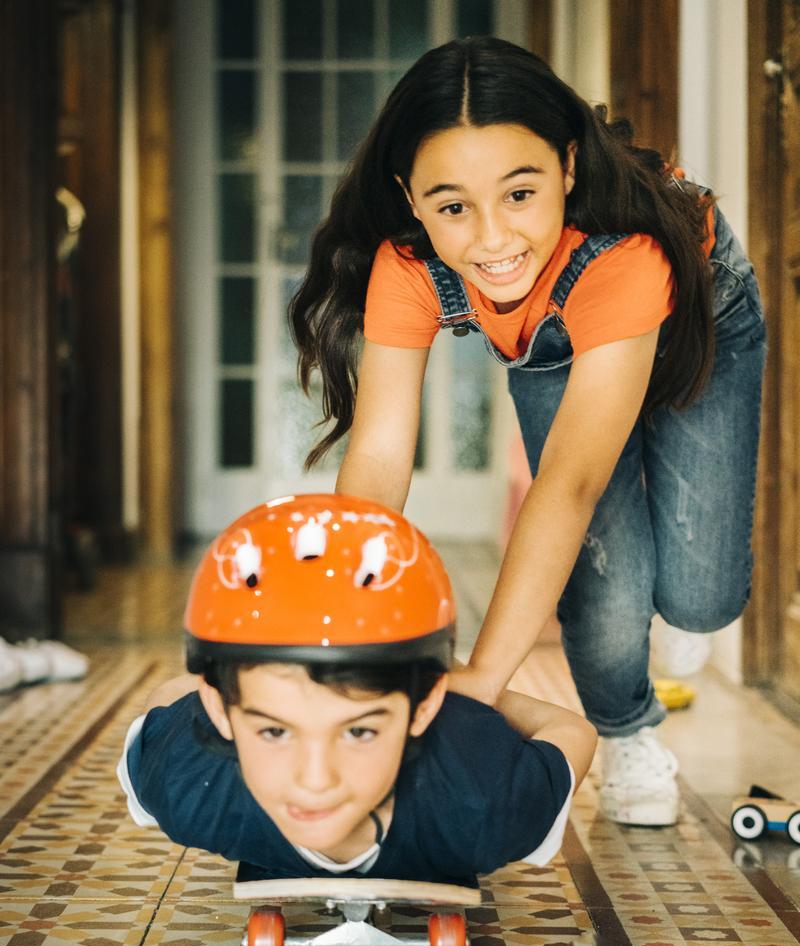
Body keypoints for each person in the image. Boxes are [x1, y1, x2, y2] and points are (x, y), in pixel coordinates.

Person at [290, 37, 766, 828]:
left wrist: (480, 680)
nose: (492, 240)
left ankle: (682, 611)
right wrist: (350, 622)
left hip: (700, 323)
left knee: (700, 597)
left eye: (519, 193)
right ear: (411, 198)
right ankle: (627, 733)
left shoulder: (624, 251)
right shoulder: (405, 266)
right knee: (606, 592)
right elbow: (377, 456)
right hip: (558, 344)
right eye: (452, 207)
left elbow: (569, 486)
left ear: (568, 169)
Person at [117, 494, 597, 886]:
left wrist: (465, 690)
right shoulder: (187, 786)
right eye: (275, 733)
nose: (316, 780)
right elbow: (168, 696)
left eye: (359, 733)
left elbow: (572, 730)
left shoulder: (483, 798)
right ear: (219, 713)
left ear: (423, 708)